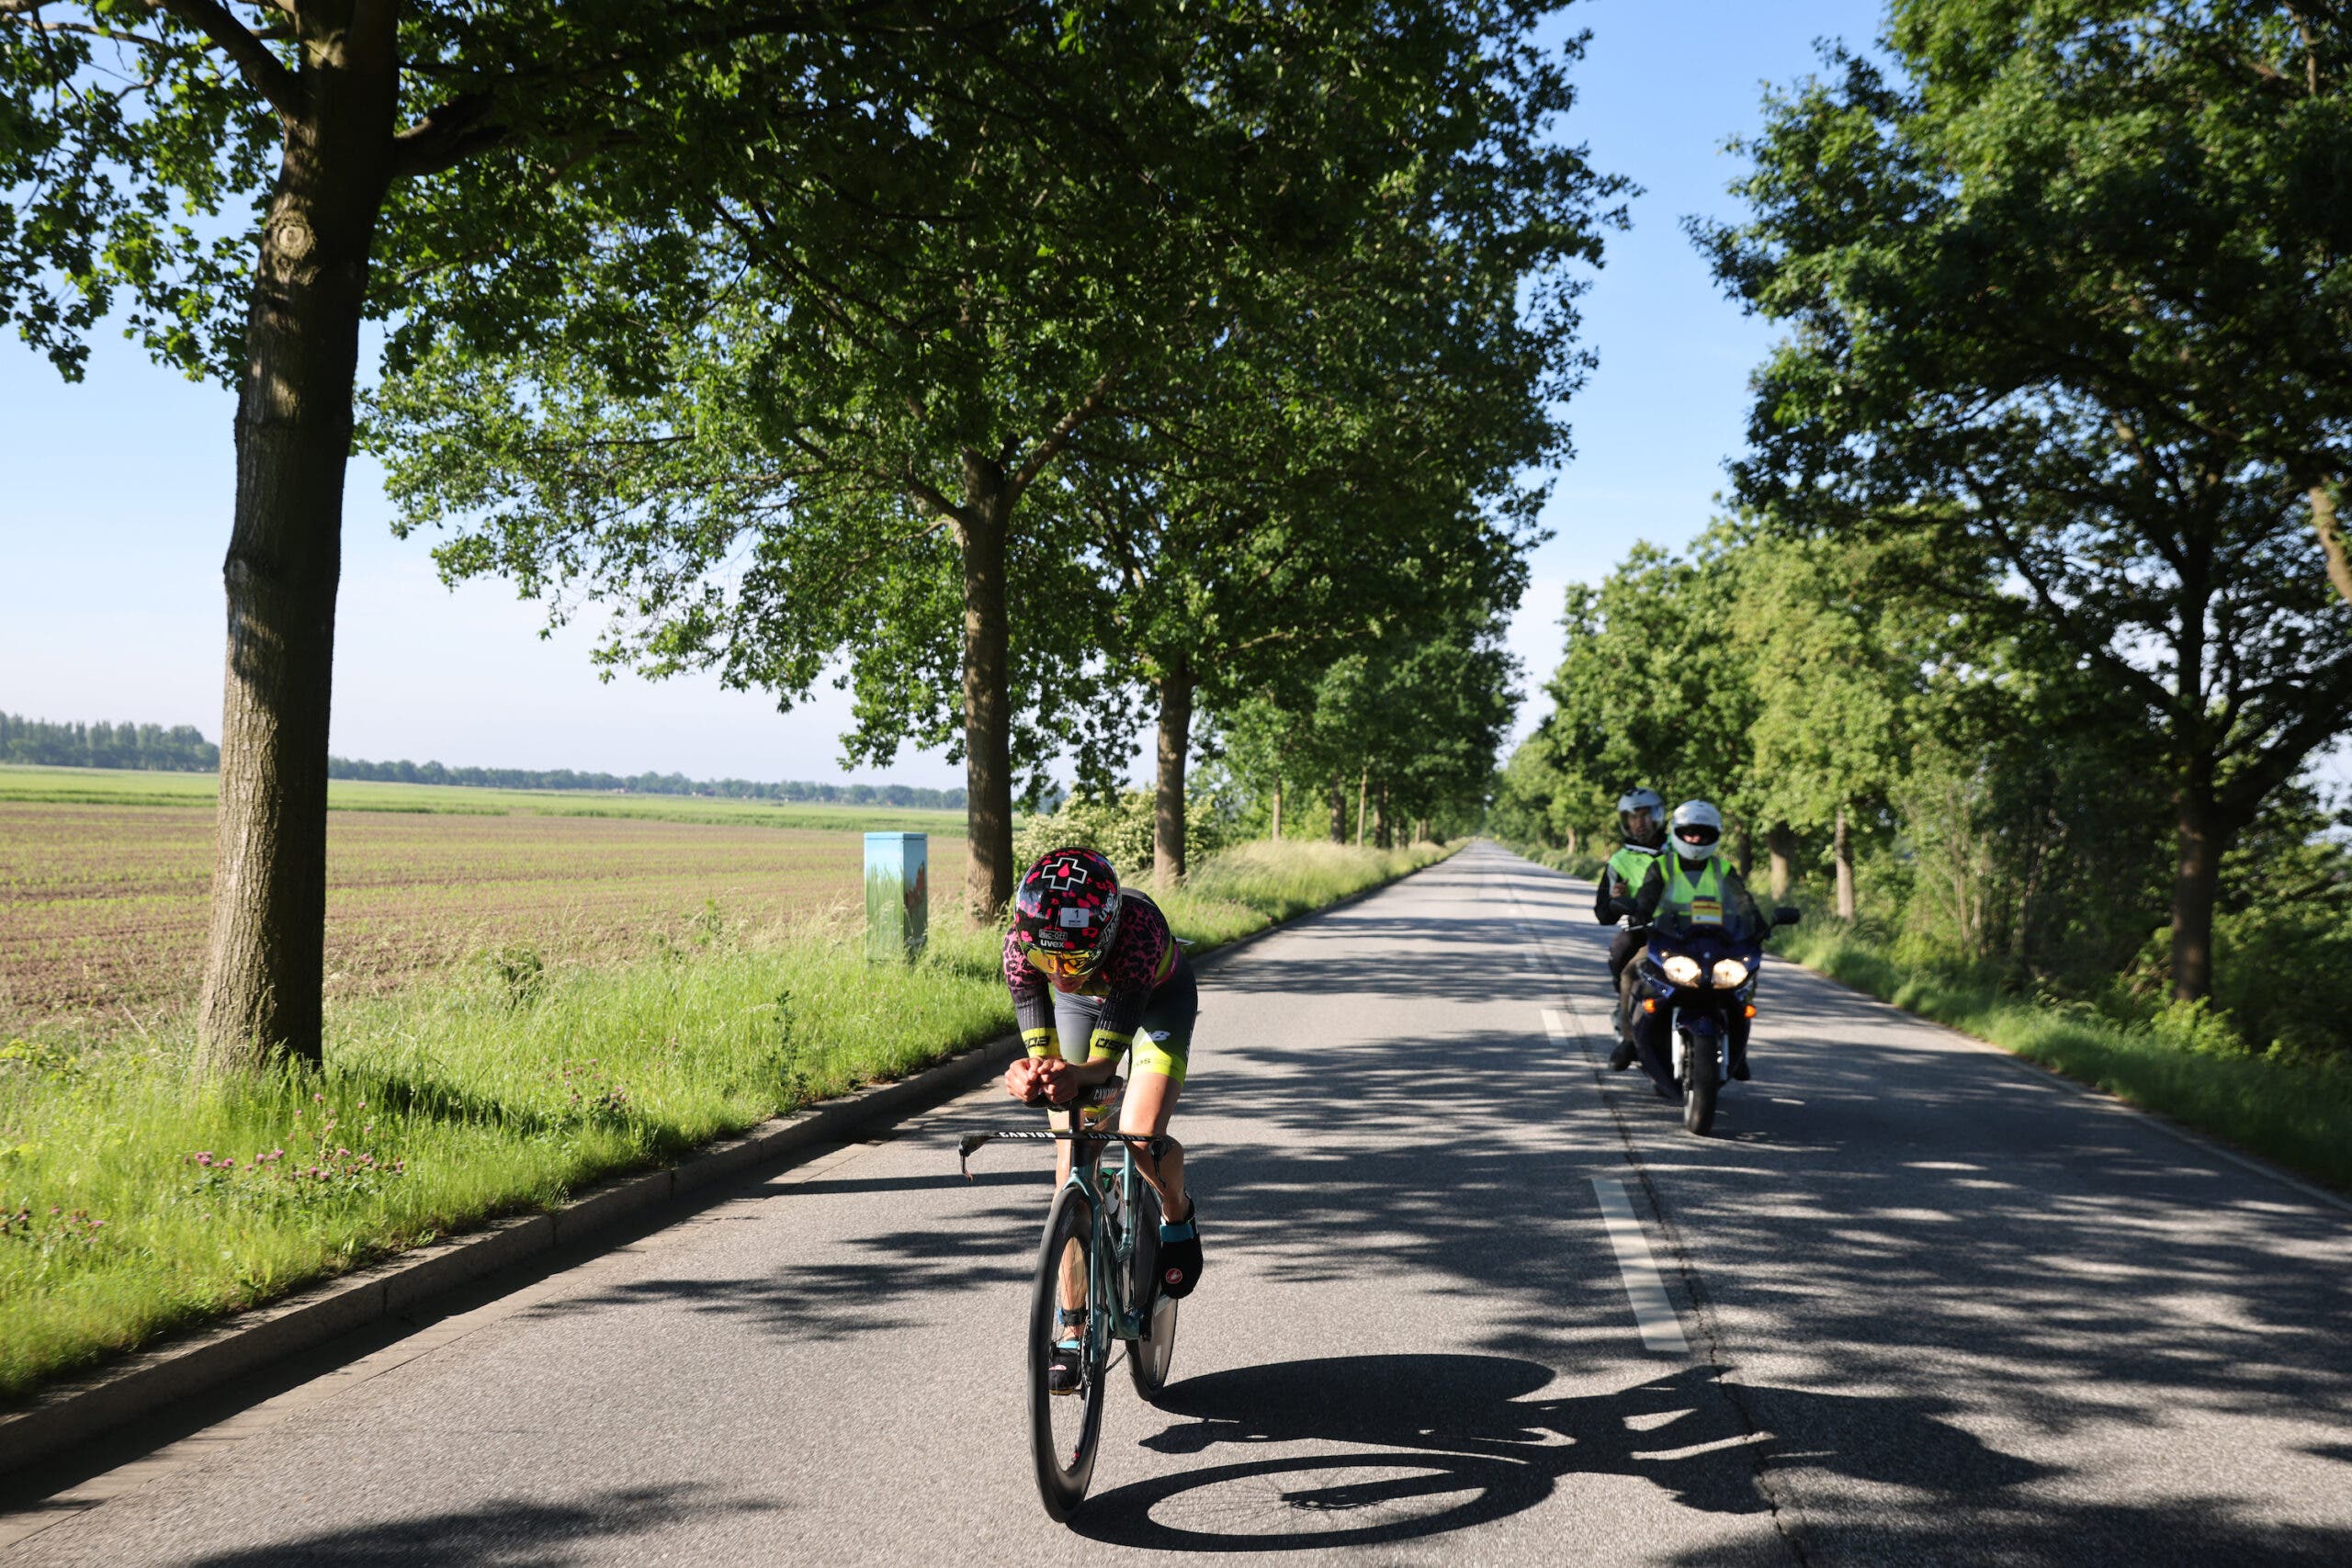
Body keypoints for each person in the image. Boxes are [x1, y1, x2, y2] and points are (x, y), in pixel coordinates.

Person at [1001, 845, 1201, 1394]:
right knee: (1072, 1148)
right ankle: (1071, 1327)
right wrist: (1030, 1075)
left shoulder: (1136, 935)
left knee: (1139, 1134)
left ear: (1106, 935)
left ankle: (1176, 1213)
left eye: (1075, 961)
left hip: (1155, 1000)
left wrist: (1075, 1076)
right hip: (1086, 1008)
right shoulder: (1023, 942)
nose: (1060, 974)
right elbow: (1048, 1064)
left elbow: (1100, 1070)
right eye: (1049, 963)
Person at [1622, 800, 1767, 1090]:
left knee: (1745, 977)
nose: (1696, 839)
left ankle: (1739, 1050)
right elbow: (1647, 898)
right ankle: (1627, 1042)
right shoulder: (1662, 866)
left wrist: (1760, 925)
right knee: (1630, 971)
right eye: (1689, 832)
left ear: (1715, 835)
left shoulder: (1723, 869)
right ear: (1677, 832)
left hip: (1716, 942)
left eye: (1703, 833)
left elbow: (1743, 903)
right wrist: (1639, 915)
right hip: (1670, 941)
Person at [1594, 787, 1667, 1071]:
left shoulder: (1680, 850)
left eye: (1645, 815)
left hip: (1684, 930)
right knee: (1621, 956)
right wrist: (1615, 900)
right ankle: (1628, 1036)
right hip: (1643, 931)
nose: (1639, 823)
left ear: (1657, 816)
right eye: (1633, 817)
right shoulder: (1620, 861)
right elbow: (1602, 914)